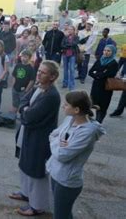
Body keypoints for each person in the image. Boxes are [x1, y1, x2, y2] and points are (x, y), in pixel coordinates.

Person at [10, 60, 61, 216]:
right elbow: (23, 102)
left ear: (52, 77)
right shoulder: (39, 87)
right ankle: (26, 193)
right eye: (39, 70)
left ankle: (37, 206)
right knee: (25, 164)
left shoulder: (51, 95)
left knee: (36, 170)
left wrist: (24, 111)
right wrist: (25, 110)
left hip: (39, 138)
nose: (38, 73)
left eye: (43, 72)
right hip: (28, 133)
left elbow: (30, 116)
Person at [47, 91, 105, 219]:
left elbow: (63, 155)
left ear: (76, 109)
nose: (63, 106)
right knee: (64, 213)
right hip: (56, 172)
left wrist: (57, 143)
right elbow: (53, 134)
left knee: (60, 215)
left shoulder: (87, 132)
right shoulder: (69, 119)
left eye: (66, 105)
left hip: (67, 181)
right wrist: (59, 143)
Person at [88, 45, 119, 123]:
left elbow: (109, 74)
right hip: (96, 86)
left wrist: (98, 74)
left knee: (103, 106)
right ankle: (87, 120)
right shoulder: (99, 60)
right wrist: (101, 74)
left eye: (109, 51)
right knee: (92, 103)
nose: (106, 52)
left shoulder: (114, 63)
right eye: (105, 50)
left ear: (113, 52)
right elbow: (91, 72)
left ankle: (98, 122)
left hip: (106, 88)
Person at [11, 50, 35, 114]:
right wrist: (13, 85)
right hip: (15, 88)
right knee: (14, 104)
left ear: (29, 58)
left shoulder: (31, 68)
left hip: (23, 90)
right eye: (22, 57)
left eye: (25, 57)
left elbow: (32, 80)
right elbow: (14, 75)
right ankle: (12, 117)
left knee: (22, 105)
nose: (23, 58)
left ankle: (22, 118)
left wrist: (27, 90)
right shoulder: (18, 65)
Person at [61, 26, 79, 91]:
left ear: (74, 30)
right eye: (69, 29)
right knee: (65, 69)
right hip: (65, 54)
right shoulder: (65, 37)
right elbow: (62, 45)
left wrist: (67, 45)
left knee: (72, 69)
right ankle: (65, 83)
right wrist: (68, 45)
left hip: (72, 55)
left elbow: (74, 44)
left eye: (71, 29)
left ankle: (71, 85)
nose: (70, 30)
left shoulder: (76, 37)